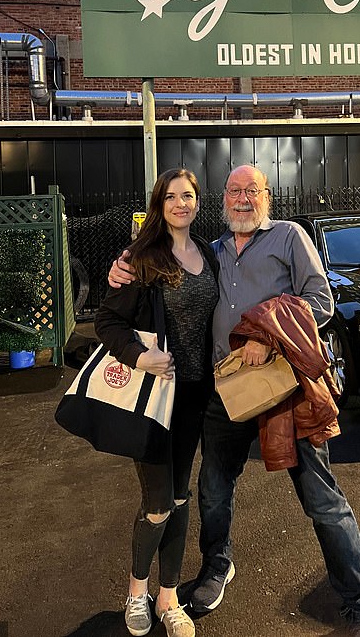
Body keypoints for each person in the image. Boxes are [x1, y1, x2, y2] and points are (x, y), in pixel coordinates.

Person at [109, 165, 360, 637]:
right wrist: (124, 262)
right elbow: (159, 272)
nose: (241, 199)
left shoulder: (290, 237)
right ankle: (217, 566)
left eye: (250, 191)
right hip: (224, 391)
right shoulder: (210, 252)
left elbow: (321, 302)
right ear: (222, 200)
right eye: (233, 191)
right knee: (214, 489)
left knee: (322, 500)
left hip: (284, 389)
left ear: (266, 196)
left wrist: (267, 333)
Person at [96, 168, 219, 637]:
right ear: (158, 203)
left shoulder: (207, 254)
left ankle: (168, 599)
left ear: (197, 201)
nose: (181, 204)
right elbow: (108, 322)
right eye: (171, 197)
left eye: (188, 196)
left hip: (193, 397)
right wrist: (140, 356)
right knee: (157, 504)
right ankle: (135, 592)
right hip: (153, 399)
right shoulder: (141, 258)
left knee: (181, 497)